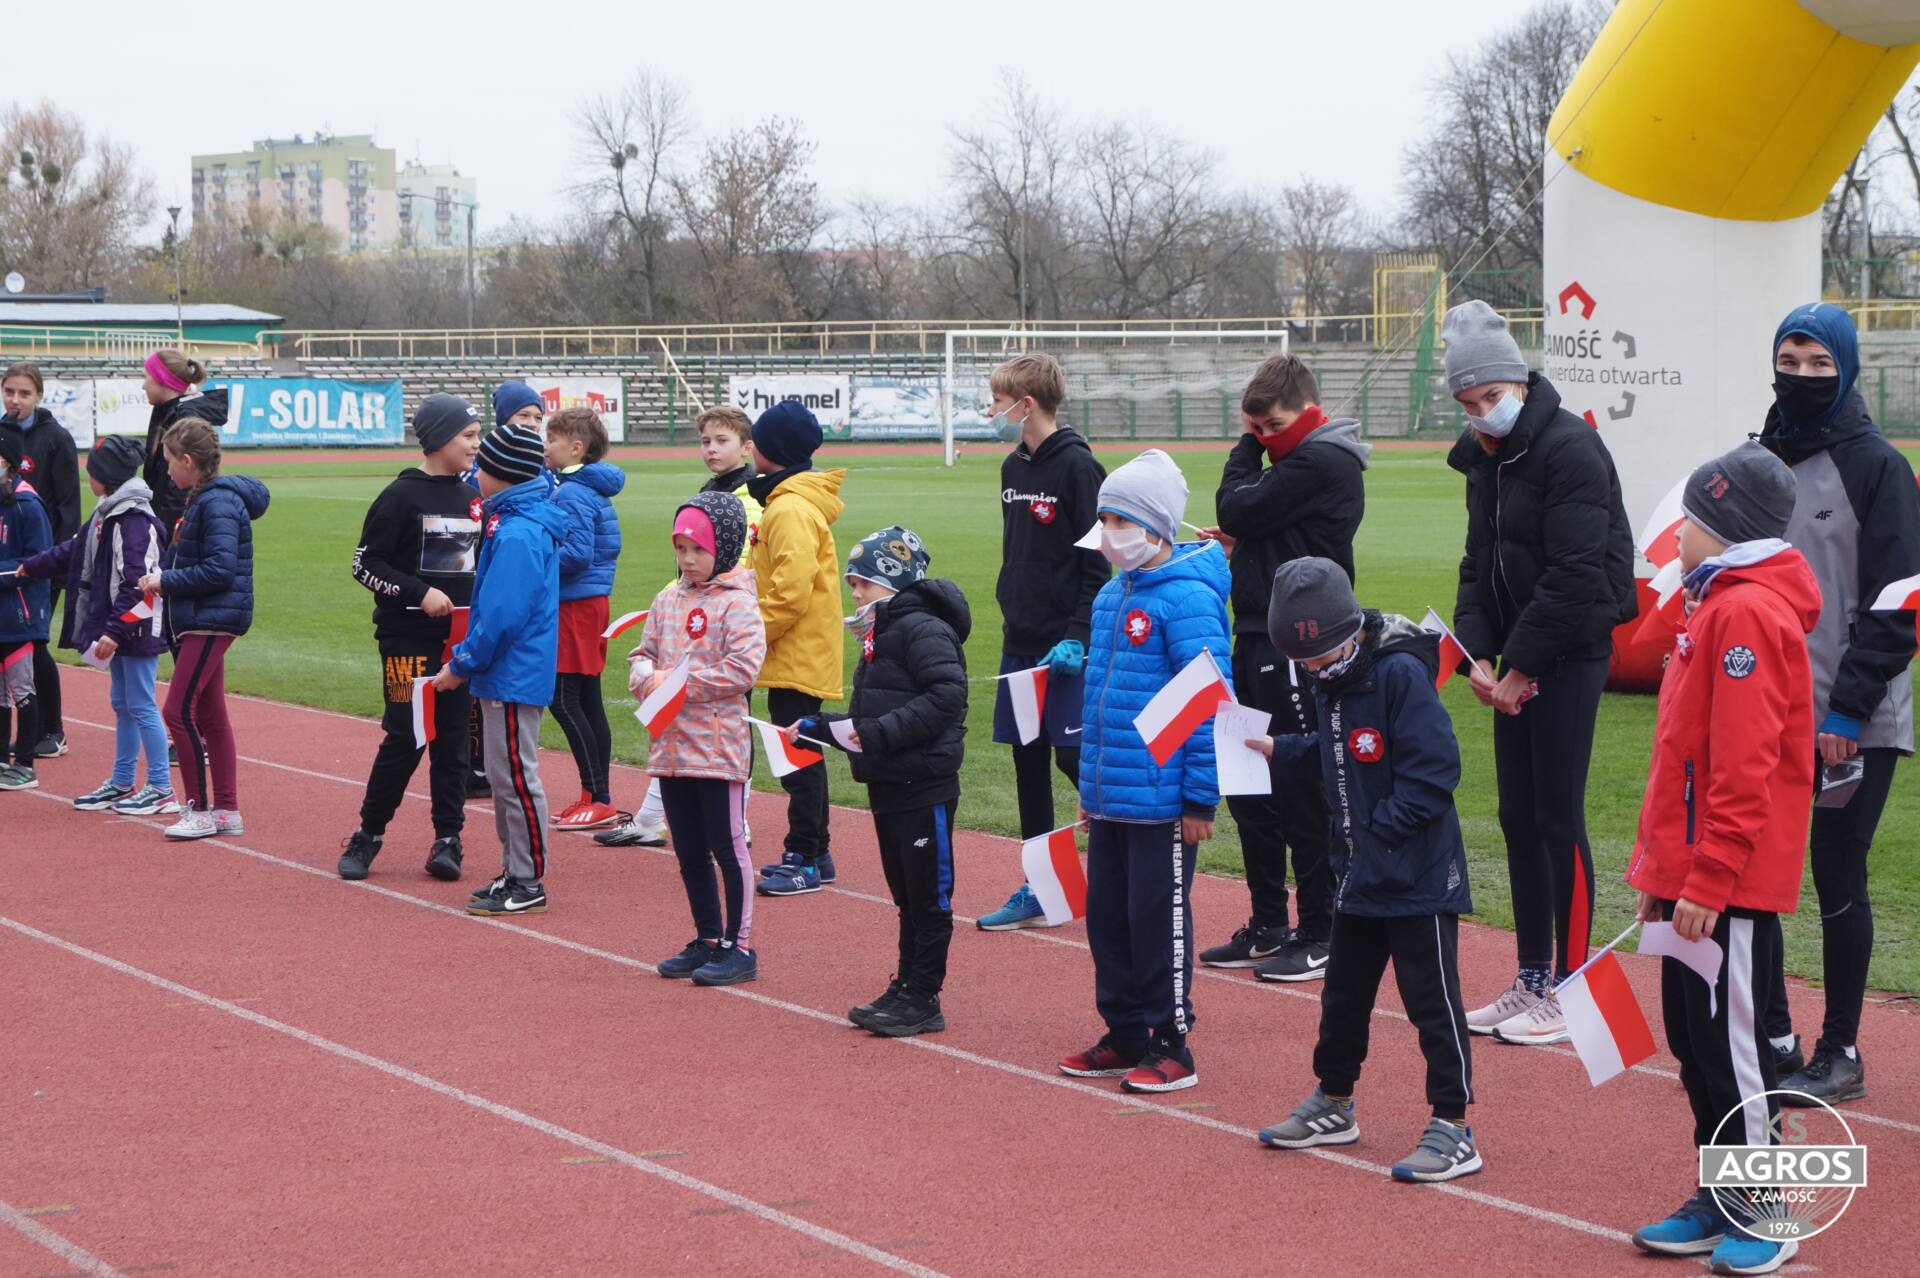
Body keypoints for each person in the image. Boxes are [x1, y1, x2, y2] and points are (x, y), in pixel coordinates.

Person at [1624, 443, 1819, 1277]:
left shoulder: (1746, 614)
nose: (1679, 537)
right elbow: (1682, 756)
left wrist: (1705, 876)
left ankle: (1766, 1207)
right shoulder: (1714, 605)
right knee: (1694, 1045)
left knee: (1734, 1048)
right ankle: (1722, 1191)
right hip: (1694, 877)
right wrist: (1661, 877)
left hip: (1728, 883)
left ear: (1727, 530)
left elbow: (1743, 768)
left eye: (1693, 524)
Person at [1443, 300, 1636, 1045]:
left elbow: (1577, 575)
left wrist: (1521, 666)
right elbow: (1475, 565)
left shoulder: (1570, 449)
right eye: (1466, 404)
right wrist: (1479, 655)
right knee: (1517, 819)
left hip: (1571, 653)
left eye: (1488, 398)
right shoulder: (1482, 461)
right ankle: (1532, 977)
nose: (1480, 414)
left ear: (1516, 381)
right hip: (1514, 666)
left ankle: (1574, 987)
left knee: (1558, 819)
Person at [1251, 559, 1481, 1183]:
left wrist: (1377, 835)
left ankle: (1454, 1125)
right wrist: (1279, 750)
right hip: (1356, 875)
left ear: (1349, 632)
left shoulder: (1400, 674)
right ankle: (1334, 1100)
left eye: (1323, 657)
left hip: (1416, 878)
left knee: (1432, 1004)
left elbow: (1434, 774)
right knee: (1343, 997)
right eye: (1305, 662)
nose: (1314, 670)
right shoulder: (1331, 682)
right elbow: (1335, 756)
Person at [1755, 303, 1920, 1103]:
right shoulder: (1758, 456)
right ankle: (1778, 1037)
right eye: (1792, 358)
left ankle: (1842, 1050)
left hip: (1851, 722)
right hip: (1769, 712)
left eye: (1821, 363)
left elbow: (1900, 605)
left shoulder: (1878, 467)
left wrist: (1847, 712)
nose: (1803, 375)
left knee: (1835, 871)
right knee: (1760, 870)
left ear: (1847, 369)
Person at [1057, 449, 1230, 1094]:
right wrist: (1090, 788)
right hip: (1110, 797)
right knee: (1109, 918)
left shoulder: (1187, 601)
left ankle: (1171, 1041)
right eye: (1102, 520)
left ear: (1157, 528)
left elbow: (1209, 702)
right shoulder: (1110, 596)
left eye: (1118, 520)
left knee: (1160, 922)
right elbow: (1103, 700)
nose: (1108, 535)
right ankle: (1124, 1029)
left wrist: (1199, 801)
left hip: (1162, 804)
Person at [1197, 353, 1365, 981]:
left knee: (1299, 789)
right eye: (1256, 428)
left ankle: (1320, 928)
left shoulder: (1323, 459)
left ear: (1306, 411)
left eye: (1271, 425)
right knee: (1247, 788)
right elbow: (1260, 525)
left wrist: (1243, 442)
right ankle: (1268, 920)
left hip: (1296, 639)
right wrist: (1250, 544)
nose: (1265, 437)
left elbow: (1239, 507)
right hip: (1255, 630)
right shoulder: (1297, 462)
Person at [799, 526, 969, 1037]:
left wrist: (875, 735)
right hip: (890, 782)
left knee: (929, 895)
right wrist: (822, 727)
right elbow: (876, 707)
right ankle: (906, 984)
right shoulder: (882, 632)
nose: (855, 594)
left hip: (924, 783)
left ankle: (924, 994)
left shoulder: (922, 630)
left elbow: (947, 697)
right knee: (904, 893)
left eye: (862, 584)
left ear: (891, 582)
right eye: (853, 584)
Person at [976, 353, 1110, 932]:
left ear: (1024, 404)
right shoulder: (1011, 468)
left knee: (1071, 755)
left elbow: (1095, 564)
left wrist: (1077, 636)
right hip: (1020, 641)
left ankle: (1132, 833)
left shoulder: (1080, 469)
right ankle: (1041, 883)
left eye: (997, 399)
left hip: (1065, 646)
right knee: (1028, 764)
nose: (990, 409)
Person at [599, 405, 762, 849]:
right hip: (688, 618)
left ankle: (736, 821)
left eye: (721, 441)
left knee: (730, 721)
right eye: (706, 441)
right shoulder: (712, 490)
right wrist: (675, 598)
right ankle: (653, 816)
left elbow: (734, 568)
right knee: (673, 719)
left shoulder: (749, 501)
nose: (711, 449)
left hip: (723, 624)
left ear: (746, 447)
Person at [337, 393, 484, 882]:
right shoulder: (400, 496)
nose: (474, 443)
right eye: (467, 435)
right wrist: (419, 592)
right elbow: (365, 563)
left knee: (454, 743)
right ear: (440, 438)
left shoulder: (472, 498)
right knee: (405, 735)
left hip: (458, 645)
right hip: (405, 641)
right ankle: (368, 835)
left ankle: (448, 839)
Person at [436, 423, 569, 917]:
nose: (475, 472)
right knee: (504, 773)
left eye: (484, 467)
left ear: (504, 475)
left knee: (514, 775)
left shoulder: (519, 532)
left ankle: (529, 878)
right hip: (509, 670)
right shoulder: (513, 522)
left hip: (513, 671)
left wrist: (463, 663)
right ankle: (516, 869)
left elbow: (501, 614)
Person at [638, 492, 766, 987]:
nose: (688, 559)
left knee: (727, 846)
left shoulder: (739, 604)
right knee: (688, 847)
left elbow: (742, 671)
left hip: (718, 748)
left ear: (726, 546)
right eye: (681, 548)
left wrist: (677, 683)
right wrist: (647, 676)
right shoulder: (666, 599)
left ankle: (741, 945)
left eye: (698, 549)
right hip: (670, 746)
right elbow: (641, 655)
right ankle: (707, 938)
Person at [14, 435, 172, 814]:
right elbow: (73, 550)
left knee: (141, 704)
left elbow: (139, 587)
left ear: (107, 476)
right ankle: (121, 781)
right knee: (123, 703)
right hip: (120, 627)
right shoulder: (106, 514)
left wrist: (115, 632)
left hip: (134, 627)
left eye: (93, 471)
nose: (89, 477)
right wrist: (31, 566)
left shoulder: (133, 522)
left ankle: (162, 787)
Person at [138, 419, 270, 839]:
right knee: (211, 713)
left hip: (212, 617)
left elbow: (219, 568)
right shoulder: (203, 501)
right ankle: (226, 810)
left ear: (189, 461)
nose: (167, 472)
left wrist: (166, 580)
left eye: (170, 463)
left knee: (177, 711)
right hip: (204, 616)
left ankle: (198, 808)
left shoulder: (216, 504)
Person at [747, 401, 846, 897]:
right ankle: (816, 850)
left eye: (756, 441)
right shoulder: (785, 501)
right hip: (796, 651)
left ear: (774, 450)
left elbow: (790, 591)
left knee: (798, 759)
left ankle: (805, 853)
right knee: (799, 753)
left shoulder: (788, 507)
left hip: (796, 652)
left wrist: (748, 634)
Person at [545, 406, 625, 832]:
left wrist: (535, 562)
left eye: (552, 440)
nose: (546, 447)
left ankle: (598, 795)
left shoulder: (572, 492)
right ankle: (597, 795)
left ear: (575, 447)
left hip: (576, 604)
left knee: (563, 698)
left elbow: (576, 554)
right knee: (587, 699)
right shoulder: (584, 488)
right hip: (588, 602)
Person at [0, 363, 80, 759]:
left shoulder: (56, 439)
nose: (15, 399)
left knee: (33, 642)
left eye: (24, 393)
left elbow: (68, 505)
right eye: (9, 391)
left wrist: (59, 563)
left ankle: (53, 729)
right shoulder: (1, 434)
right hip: (4, 561)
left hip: (41, 560)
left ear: (39, 396)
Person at [0, 429, 51, 790]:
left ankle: (26, 764)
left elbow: (37, 561)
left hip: (20, 614)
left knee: (22, 688)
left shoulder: (27, 505)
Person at [141, 349, 229, 534]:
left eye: (146, 377)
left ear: (161, 380)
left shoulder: (183, 419)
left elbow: (177, 491)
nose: (143, 386)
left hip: (174, 529)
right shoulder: (169, 412)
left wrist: (160, 535)